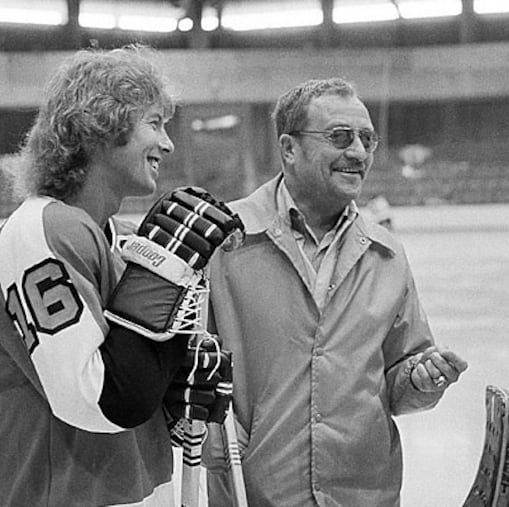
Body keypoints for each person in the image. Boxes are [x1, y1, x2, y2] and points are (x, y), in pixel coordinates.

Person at [202, 77, 468, 506]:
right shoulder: (224, 242)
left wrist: (421, 380)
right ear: (289, 148)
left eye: (367, 139)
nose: (359, 153)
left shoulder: (387, 255)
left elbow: (399, 380)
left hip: (365, 496)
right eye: (340, 137)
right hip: (255, 493)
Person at [0, 45, 238, 506]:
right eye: (154, 123)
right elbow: (100, 400)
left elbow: (133, 378)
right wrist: (161, 281)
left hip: (127, 491)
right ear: (101, 127)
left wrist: (172, 380)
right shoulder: (41, 229)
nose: (167, 144)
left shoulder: (117, 238)